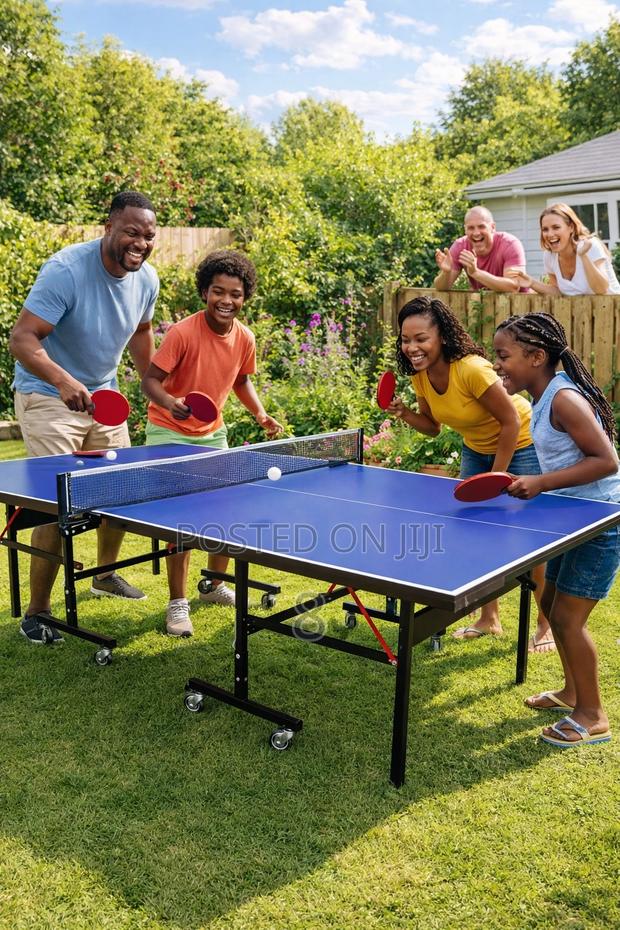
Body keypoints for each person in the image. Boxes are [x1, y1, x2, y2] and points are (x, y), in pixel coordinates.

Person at [9, 191, 159, 644]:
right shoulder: (66, 271)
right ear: (109, 226)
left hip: (103, 397)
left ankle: (104, 575)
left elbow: (142, 330)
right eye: (132, 231)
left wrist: (153, 385)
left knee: (117, 490)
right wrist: (62, 381)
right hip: (48, 396)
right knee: (57, 505)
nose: (140, 242)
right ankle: (38, 612)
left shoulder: (146, 278)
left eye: (149, 235)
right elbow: (22, 338)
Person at [387, 294, 552, 646]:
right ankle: (489, 618)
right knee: (477, 534)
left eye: (420, 339)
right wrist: (403, 413)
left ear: (441, 337)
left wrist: (496, 478)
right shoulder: (421, 375)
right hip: (476, 449)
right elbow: (432, 426)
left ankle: (545, 624)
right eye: (405, 339)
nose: (411, 347)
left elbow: (509, 420)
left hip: (520, 443)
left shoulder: (472, 369)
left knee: (535, 541)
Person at [141, 249, 283, 638]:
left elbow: (240, 380)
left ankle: (212, 584)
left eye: (235, 293)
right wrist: (172, 402)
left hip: (212, 433)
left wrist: (259, 413)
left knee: (224, 511)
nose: (227, 300)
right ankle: (176, 603)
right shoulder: (183, 333)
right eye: (218, 291)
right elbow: (149, 381)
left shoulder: (245, 338)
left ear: (244, 297)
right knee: (182, 520)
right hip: (169, 431)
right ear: (205, 292)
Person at [494, 312, 620, 746]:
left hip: (602, 522)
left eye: (504, 355)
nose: (498, 364)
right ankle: (571, 693)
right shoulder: (541, 397)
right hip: (573, 520)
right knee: (548, 597)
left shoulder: (565, 399)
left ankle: (593, 714)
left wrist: (540, 484)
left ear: (536, 356)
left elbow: (607, 462)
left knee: (567, 620)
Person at [507, 203, 620, 296]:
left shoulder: (590, 246)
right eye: (545, 229)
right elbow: (558, 292)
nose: (550, 234)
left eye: (556, 227)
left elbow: (601, 290)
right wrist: (531, 282)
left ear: (571, 227)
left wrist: (583, 256)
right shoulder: (549, 256)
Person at [434, 206, 528, 293]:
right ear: (465, 230)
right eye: (471, 228)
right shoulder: (460, 246)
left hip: (521, 306)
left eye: (481, 226)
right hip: (484, 306)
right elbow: (441, 288)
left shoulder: (510, 244)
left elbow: (514, 286)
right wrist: (446, 273)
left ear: (492, 227)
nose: (476, 233)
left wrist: (476, 273)